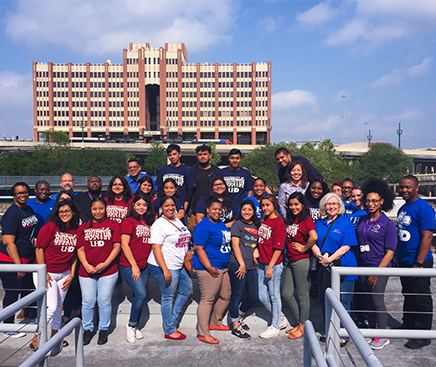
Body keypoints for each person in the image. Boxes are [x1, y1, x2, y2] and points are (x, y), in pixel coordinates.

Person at [31, 199, 81, 350]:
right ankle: (36, 337)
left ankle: (55, 336)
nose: (64, 214)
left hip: (65, 273)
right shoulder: (50, 227)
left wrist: (72, 275)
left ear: (73, 212)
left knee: (59, 306)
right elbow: (39, 249)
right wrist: (44, 271)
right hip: (47, 272)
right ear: (57, 214)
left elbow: (75, 255)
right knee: (51, 307)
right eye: (61, 212)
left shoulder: (75, 230)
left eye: (67, 211)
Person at [311, 193, 358, 347]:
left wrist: (329, 259)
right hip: (324, 268)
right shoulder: (319, 223)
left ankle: (343, 332)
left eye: (335, 204)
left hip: (343, 267)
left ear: (339, 206)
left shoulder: (346, 223)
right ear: (324, 206)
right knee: (326, 301)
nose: (331, 206)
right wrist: (320, 257)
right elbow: (313, 242)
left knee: (343, 302)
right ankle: (328, 329)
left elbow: (347, 246)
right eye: (328, 204)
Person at [355, 178, 396, 350]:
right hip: (363, 266)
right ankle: (372, 332)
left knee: (377, 300)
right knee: (368, 301)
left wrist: (376, 273)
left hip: (379, 267)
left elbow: (390, 252)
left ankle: (382, 335)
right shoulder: (363, 220)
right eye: (368, 200)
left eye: (375, 201)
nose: (371, 204)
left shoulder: (388, 224)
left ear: (382, 202)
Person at [396, 175, 435, 349]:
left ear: (417, 188)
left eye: (408, 187)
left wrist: (419, 263)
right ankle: (409, 324)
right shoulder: (403, 208)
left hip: (419, 261)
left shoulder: (424, 208)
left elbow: (427, 236)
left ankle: (423, 334)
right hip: (405, 260)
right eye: (402, 187)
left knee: (421, 297)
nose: (404, 190)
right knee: (408, 294)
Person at [77, 198, 121, 346]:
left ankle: (103, 329)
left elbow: (117, 246)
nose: (98, 212)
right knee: (88, 301)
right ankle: (88, 329)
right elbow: (80, 248)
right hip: (87, 271)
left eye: (101, 208)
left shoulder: (112, 225)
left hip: (108, 270)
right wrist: (86, 265)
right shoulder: (83, 227)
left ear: (105, 209)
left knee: (104, 301)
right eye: (95, 209)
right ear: (90, 210)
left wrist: (105, 264)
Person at [148, 196, 193, 340]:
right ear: (161, 208)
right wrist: (165, 270)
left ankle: (173, 321)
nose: (170, 208)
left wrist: (186, 251)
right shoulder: (159, 224)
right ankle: (169, 329)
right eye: (166, 205)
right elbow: (156, 248)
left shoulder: (176, 220)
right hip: (165, 265)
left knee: (186, 288)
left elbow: (182, 237)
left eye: (172, 205)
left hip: (178, 263)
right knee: (168, 297)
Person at [0, 182, 38, 337]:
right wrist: (19, 266)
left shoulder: (28, 209)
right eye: (18, 193)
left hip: (28, 258)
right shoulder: (11, 214)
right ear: (13, 195)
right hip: (12, 260)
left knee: (30, 290)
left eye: (25, 192)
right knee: (12, 293)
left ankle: (32, 317)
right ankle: (8, 325)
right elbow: (9, 242)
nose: (22, 195)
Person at [192, 198, 232, 344]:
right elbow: (198, 248)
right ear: (207, 210)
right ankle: (203, 333)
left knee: (226, 295)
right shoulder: (203, 226)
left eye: (220, 209)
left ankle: (215, 321)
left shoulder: (219, 223)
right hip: (209, 268)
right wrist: (209, 267)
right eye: (214, 209)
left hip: (223, 266)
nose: (217, 211)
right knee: (207, 299)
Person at [119, 195, 155, 343]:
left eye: (144, 205)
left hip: (144, 265)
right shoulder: (129, 221)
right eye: (139, 204)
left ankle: (136, 326)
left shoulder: (147, 223)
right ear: (133, 206)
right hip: (129, 265)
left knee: (139, 295)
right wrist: (134, 265)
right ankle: (131, 325)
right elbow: (124, 245)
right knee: (141, 293)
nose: (141, 207)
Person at [282, 192, 317, 340]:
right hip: (290, 260)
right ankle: (301, 322)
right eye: (291, 204)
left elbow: (313, 237)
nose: (293, 207)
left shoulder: (306, 219)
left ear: (302, 204)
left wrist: (303, 248)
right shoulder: (291, 219)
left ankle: (303, 326)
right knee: (287, 293)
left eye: (296, 204)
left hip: (301, 260)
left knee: (303, 295)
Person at [256, 194, 287, 339]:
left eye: (267, 205)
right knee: (262, 296)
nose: (265, 208)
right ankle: (280, 318)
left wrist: (270, 266)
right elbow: (262, 239)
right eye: (263, 205)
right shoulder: (265, 220)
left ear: (274, 204)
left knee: (274, 296)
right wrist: (257, 249)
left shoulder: (279, 223)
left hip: (273, 264)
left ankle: (275, 326)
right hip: (262, 262)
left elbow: (279, 248)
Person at [228, 199, 259, 340]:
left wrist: (256, 250)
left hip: (251, 266)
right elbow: (235, 246)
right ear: (240, 210)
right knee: (236, 295)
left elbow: (257, 243)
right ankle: (235, 325)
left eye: (250, 210)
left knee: (253, 296)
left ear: (254, 212)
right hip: (238, 265)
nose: (247, 212)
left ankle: (238, 315)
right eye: (244, 209)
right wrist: (241, 264)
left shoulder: (256, 225)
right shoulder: (237, 224)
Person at [187, 144, 221, 231]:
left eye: (205, 154)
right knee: (194, 235)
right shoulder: (191, 171)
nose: (202, 157)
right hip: (194, 210)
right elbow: (189, 190)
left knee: (212, 233)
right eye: (200, 155)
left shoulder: (216, 171)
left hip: (212, 210)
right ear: (197, 157)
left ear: (210, 156)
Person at [156, 144, 195, 211]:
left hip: (180, 206)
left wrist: (185, 205)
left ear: (179, 154)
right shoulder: (163, 170)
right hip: (165, 205)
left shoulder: (187, 170)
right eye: (170, 155)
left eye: (174, 154)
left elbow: (190, 190)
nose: (172, 157)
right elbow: (160, 189)